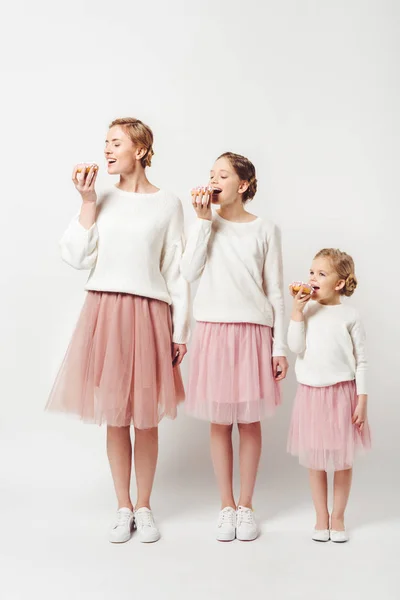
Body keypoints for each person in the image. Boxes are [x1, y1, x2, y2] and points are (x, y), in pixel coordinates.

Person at [47, 117, 190, 544]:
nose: (107, 150)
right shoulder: (100, 197)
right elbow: (74, 255)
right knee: (114, 415)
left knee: (145, 418)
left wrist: (179, 329)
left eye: (116, 143)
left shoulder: (168, 204)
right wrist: (87, 201)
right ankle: (122, 506)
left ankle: (144, 506)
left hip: (149, 313)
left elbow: (176, 271)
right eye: (105, 143)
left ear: (141, 150)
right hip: (105, 310)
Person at [181, 152, 288, 542]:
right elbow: (188, 273)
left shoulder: (265, 229)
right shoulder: (204, 223)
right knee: (219, 421)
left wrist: (279, 347)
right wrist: (203, 222)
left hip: (252, 331)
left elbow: (275, 290)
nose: (213, 179)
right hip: (213, 329)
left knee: (249, 420)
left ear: (242, 185)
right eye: (211, 173)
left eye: (222, 175)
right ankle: (225, 506)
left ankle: (247, 506)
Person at [287, 248, 371, 543]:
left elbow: (361, 360)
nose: (313, 278)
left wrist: (362, 399)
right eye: (311, 272)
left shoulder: (350, 315)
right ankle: (321, 516)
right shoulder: (307, 310)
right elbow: (295, 347)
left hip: (342, 395)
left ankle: (338, 516)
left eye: (321, 274)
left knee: (342, 460)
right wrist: (297, 312)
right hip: (311, 395)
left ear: (339, 283)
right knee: (316, 460)